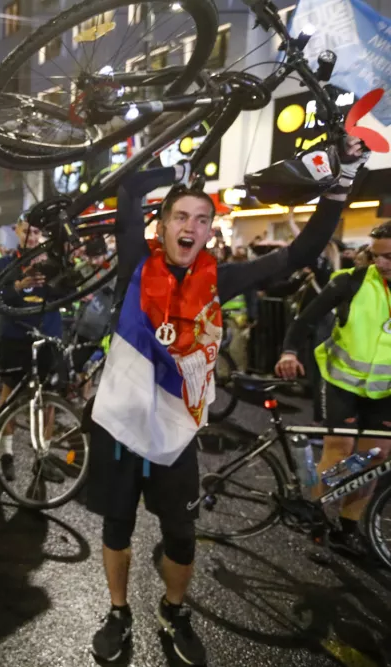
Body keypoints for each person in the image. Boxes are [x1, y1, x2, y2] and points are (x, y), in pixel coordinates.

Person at [88, 137, 367, 665]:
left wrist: (340, 184)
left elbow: (301, 253)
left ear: (208, 231)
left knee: (181, 536)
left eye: (200, 219)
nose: (189, 226)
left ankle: (174, 610)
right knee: (116, 528)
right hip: (120, 429)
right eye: (180, 216)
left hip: (175, 433)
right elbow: (128, 193)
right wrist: (173, 166)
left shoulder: (222, 280)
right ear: (163, 226)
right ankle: (118, 611)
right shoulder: (133, 265)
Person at [275, 220, 391, 555]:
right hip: (340, 381)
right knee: (340, 450)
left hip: (384, 391)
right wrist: (289, 351)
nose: (380, 263)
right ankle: (312, 504)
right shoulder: (351, 282)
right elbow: (304, 320)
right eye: (376, 255)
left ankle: (347, 528)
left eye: (388, 256)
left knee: (375, 458)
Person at [0, 216, 64, 481]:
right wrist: (21, 284)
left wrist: (57, 272)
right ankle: (7, 453)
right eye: (27, 232)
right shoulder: (6, 263)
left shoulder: (51, 263)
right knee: (10, 395)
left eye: (37, 233)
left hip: (47, 338)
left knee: (49, 400)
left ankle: (42, 457)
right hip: (15, 338)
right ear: (17, 231)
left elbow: (64, 292)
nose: (32, 237)